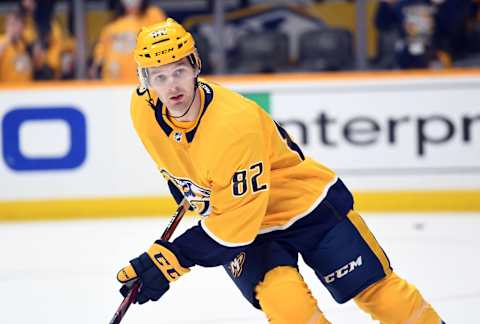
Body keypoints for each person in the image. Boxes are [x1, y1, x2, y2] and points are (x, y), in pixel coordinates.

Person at [116, 18, 445, 323]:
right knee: (290, 310)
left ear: (195, 67)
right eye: (159, 76)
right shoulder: (142, 110)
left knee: (379, 293)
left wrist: (167, 262)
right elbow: (178, 166)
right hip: (254, 232)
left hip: (305, 207)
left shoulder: (232, 125)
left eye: (178, 72)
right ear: (146, 82)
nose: (172, 86)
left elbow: (231, 231)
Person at [90, 0, 166, 81]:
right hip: (113, 82)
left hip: (144, 80)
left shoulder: (153, 14)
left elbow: (164, 41)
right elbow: (100, 51)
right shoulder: (113, 23)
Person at [0, 10, 33, 82]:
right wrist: (8, 38)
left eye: (18, 24)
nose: (14, 28)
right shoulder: (2, 41)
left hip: (27, 89)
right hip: (7, 90)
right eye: (12, 24)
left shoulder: (24, 43)